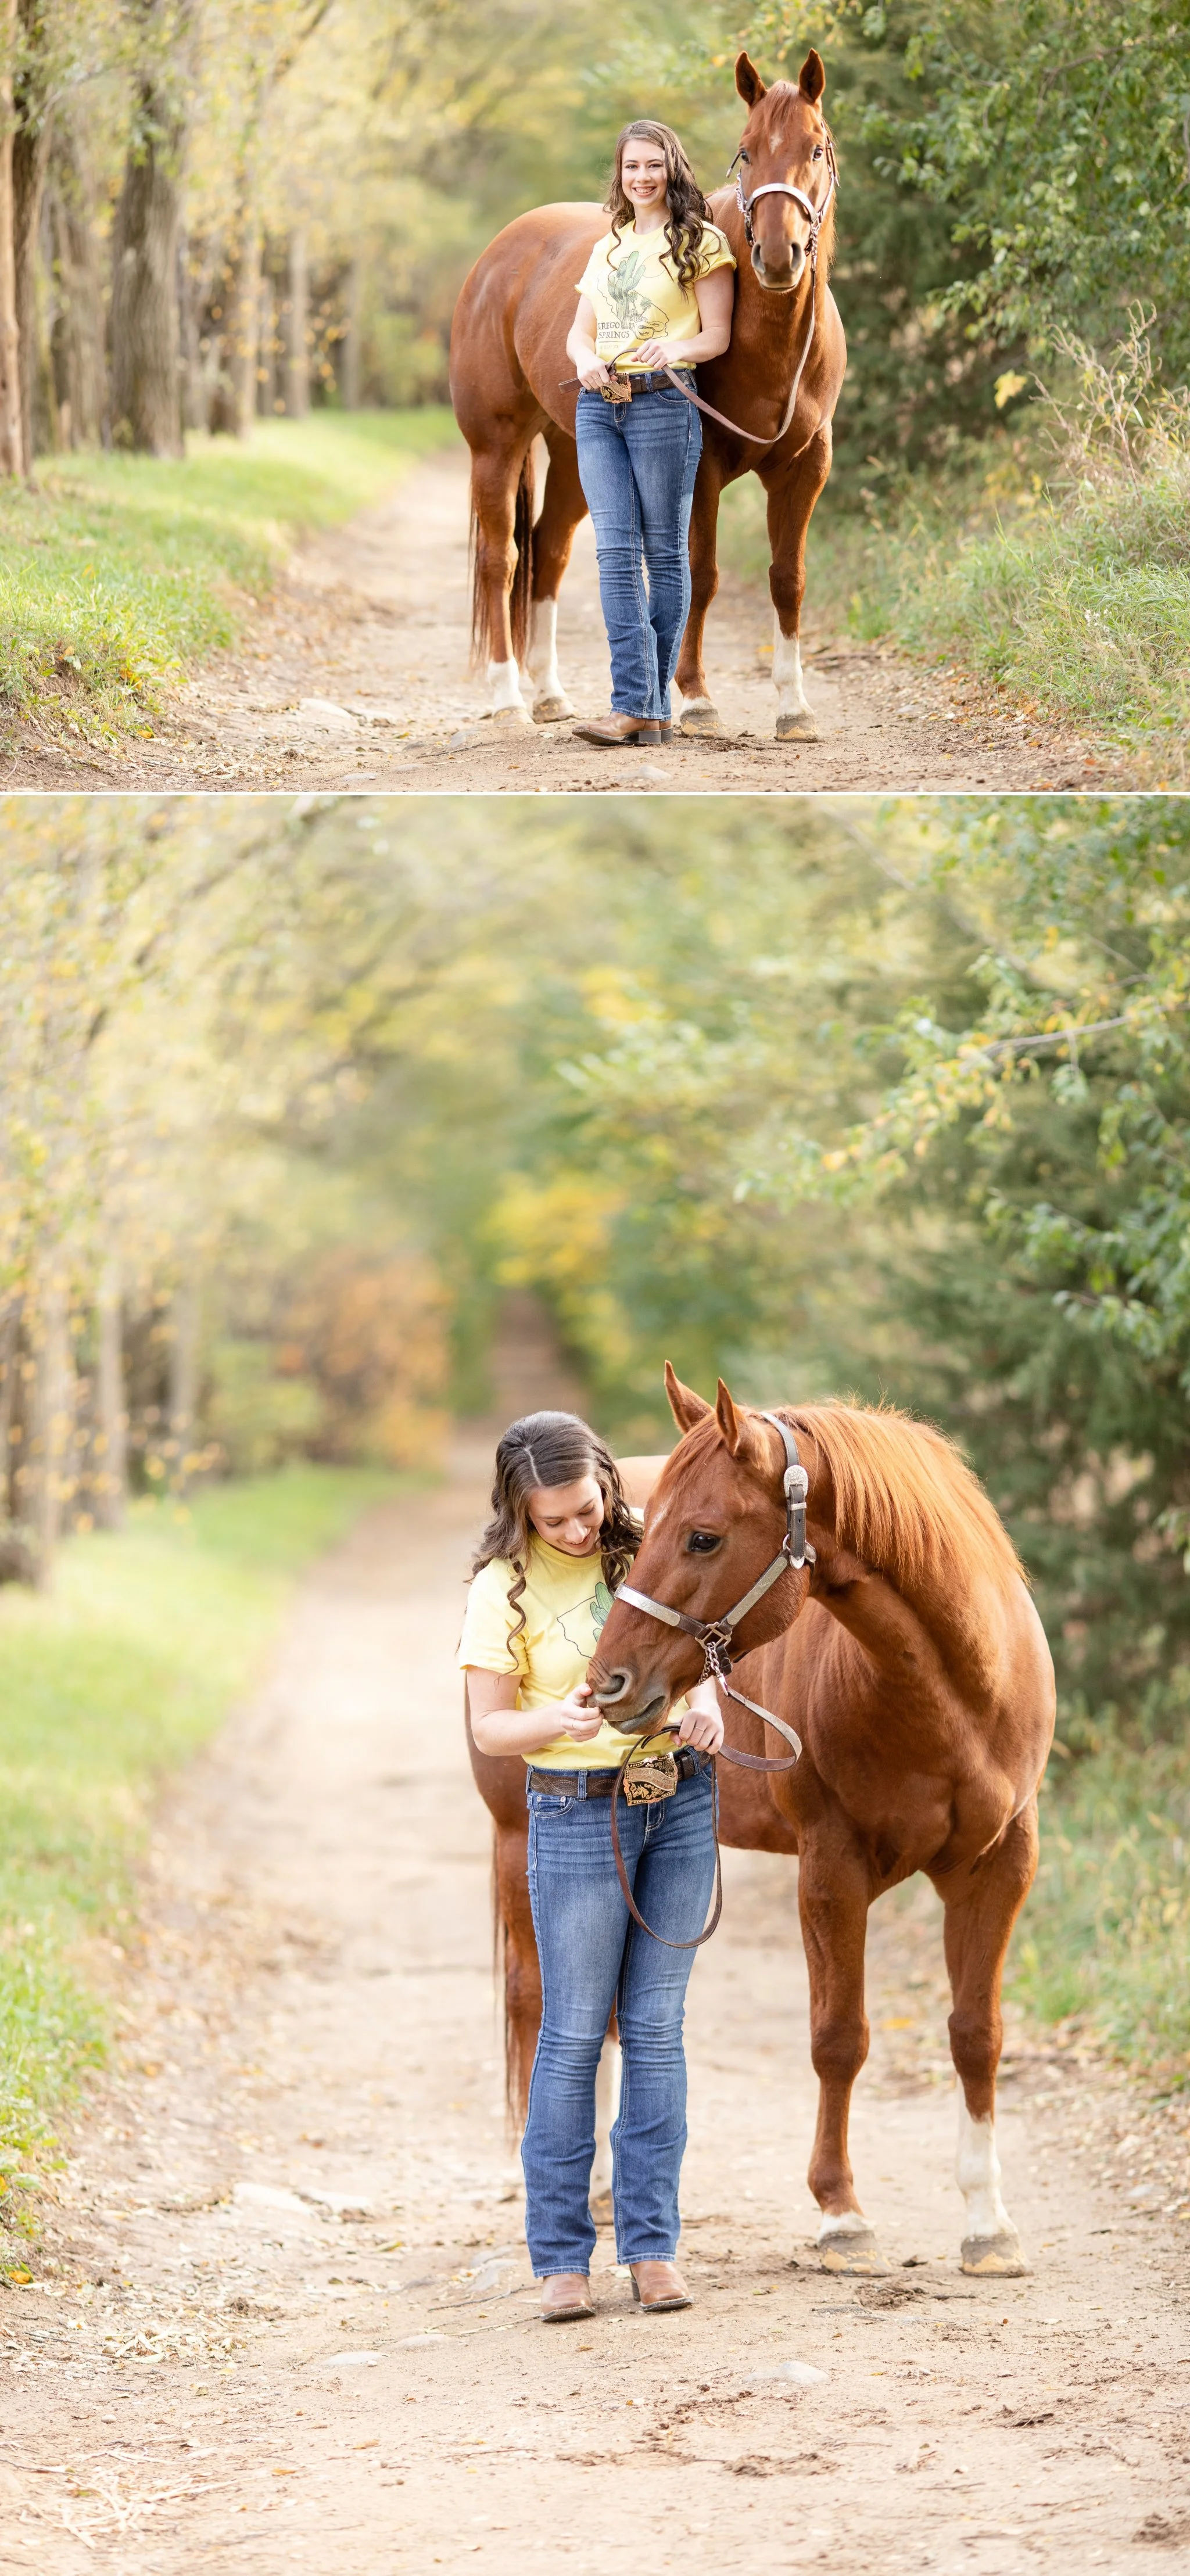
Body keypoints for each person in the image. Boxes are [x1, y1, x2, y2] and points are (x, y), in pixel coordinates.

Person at [459, 1409, 723, 2322]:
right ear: (521, 1512)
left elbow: (704, 1647)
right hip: (574, 1814)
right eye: (556, 1519)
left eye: (587, 1507)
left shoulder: (646, 1545)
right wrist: (555, 1724)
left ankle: (652, 2249)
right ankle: (561, 2258)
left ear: (607, 1482)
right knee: (573, 2034)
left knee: (656, 2029)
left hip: (677, 1796)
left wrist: (711, 1704)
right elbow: (491, 1726)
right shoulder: (502, 1588)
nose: (579, 1529)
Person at [564, 121, 736, 749]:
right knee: (613, 551)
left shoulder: (701, 242)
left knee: (663, 554)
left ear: (671, 170)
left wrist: (678, 345)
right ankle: (640, 705)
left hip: (665, 405)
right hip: (597, 407)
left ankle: (641, 707)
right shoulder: (608, 244)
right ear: (619, 173)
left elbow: (715, 336)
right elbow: (578, 331)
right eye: (631, 166)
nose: (641, 177)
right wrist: (583, 357)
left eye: (653, 166)